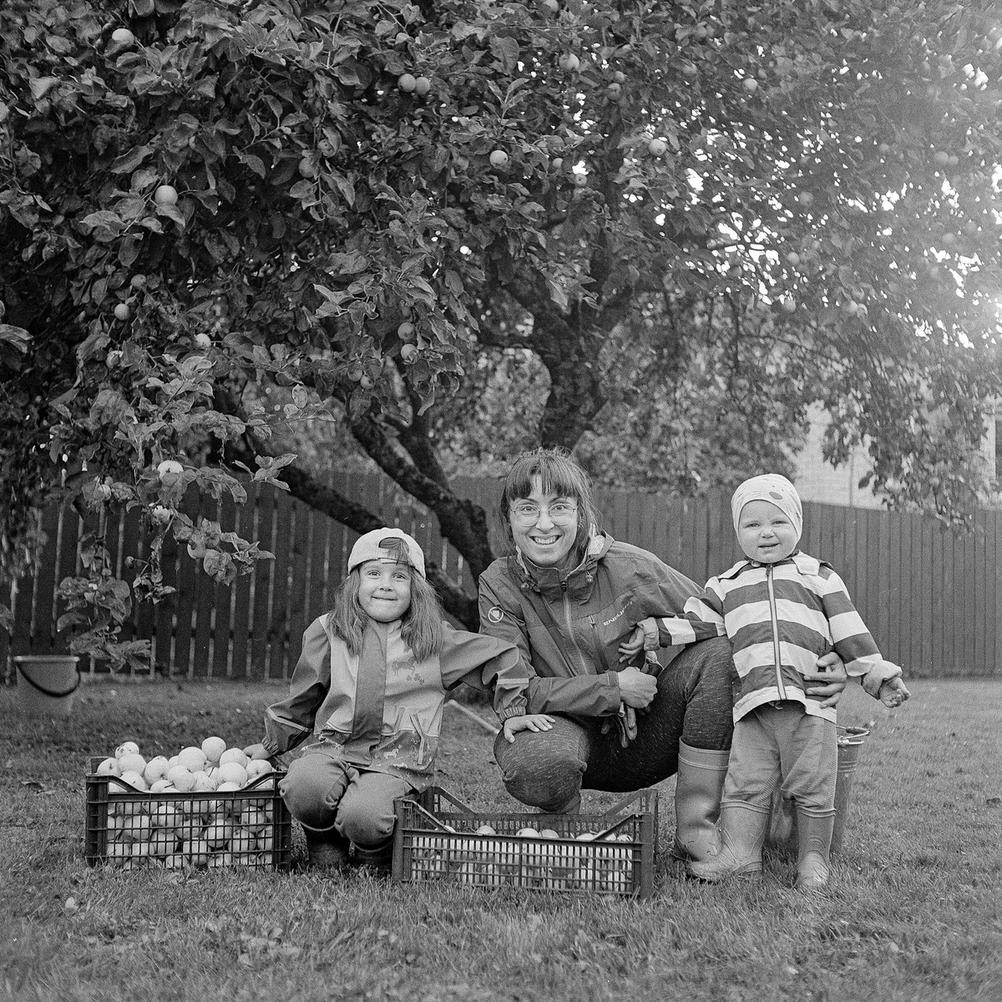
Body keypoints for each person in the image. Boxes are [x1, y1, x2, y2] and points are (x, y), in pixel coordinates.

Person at [477, 449, 848, 865]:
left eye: (559, 507)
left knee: (719, 652)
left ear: (581, 515)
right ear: (508, 518)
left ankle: (698, 832)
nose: (544, 523)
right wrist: (615, 688)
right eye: (528, 508)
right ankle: (562, 822)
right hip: (563, 736)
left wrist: (828, 652)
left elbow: (730, 613)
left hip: (649, 735)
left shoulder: (629, 567)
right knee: (537, 761)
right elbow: (515, 688)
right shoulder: (499, 584)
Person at [620, 473, 910, 890]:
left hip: (809, 706)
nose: (766, 532)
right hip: (752, 709)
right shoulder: (727, 585)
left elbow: (851, 633)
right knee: (744, 785)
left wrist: (879, 676)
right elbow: (695, 622)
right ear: (738, 531)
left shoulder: (818, 577)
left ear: (797, 524)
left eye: (778, 522)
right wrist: (652, 632)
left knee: (812, 784)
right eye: (752, 524)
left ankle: (813, 861)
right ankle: (740, 855)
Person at [244, 527, 552, 871]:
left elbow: (500, 656)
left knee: (364, 815)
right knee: (303, 783)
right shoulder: (329, 632)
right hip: (336, 748)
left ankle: (372, 852)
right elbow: (303, 697)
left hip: (397, 761)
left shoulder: (434, 642)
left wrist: (511, 709)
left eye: (399, 576)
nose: (386, 584)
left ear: (415, 589)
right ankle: (323, 842)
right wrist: (271, 744)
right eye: (373, 573)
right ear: (354, 584)